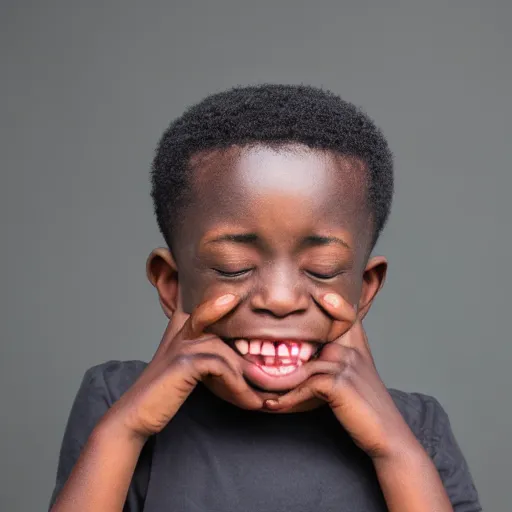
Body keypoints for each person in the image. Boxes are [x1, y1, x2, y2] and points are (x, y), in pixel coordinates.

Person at [48, 84, 482, 511]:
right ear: (171, 284)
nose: (279, 299)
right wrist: (127, 429)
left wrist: (394, 452)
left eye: (323, 269)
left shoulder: (415, 431)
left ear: (364, 289)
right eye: (233, 266)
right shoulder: (119, 402)